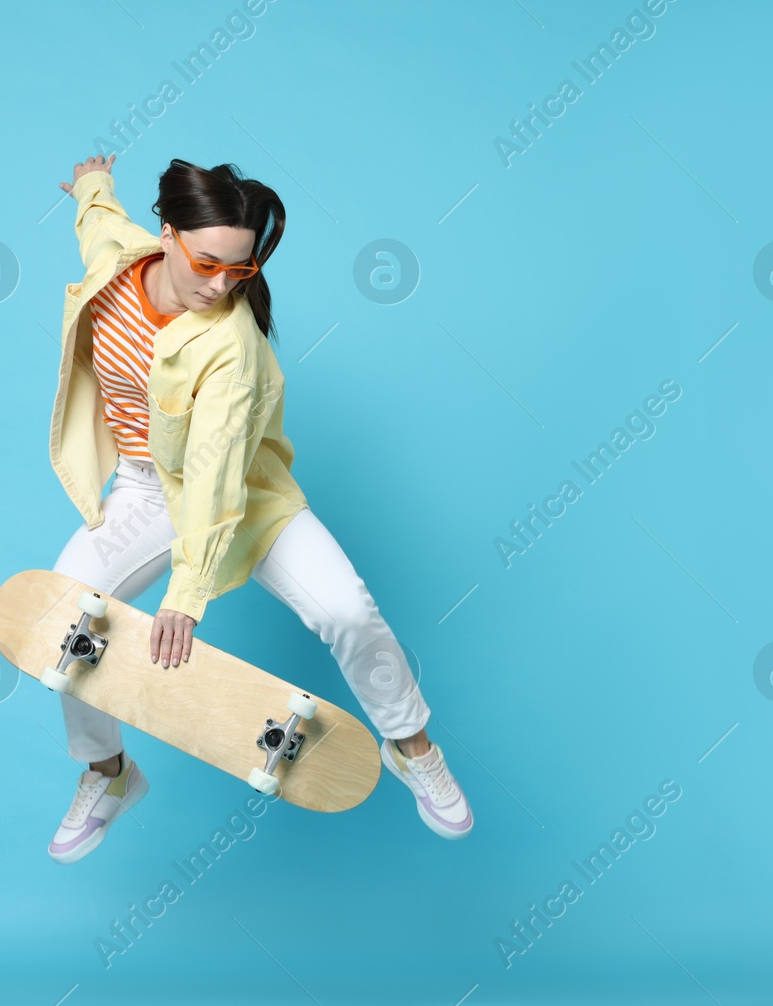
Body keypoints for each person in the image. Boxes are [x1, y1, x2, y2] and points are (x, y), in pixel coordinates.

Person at [44, 153, 472, 864]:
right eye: (206, 262)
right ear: (168, 232)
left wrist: (187, 597)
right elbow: (100, 226)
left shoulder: (232, 347)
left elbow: (214, 478)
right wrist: (92, 185)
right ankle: (108, 773)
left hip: (247, 495)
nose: (220, 285)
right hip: (149, 490)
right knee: (63, 618)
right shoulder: (121, 263)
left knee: (346, 611)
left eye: (239, 271)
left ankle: (412, 745)